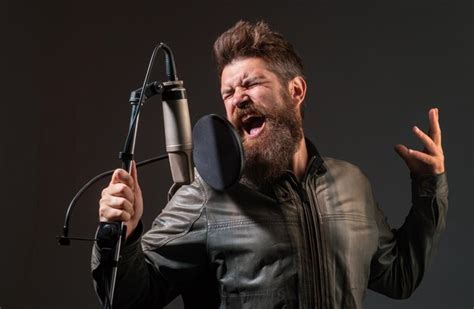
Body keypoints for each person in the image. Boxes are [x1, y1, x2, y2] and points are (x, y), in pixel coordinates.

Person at [92, 21, 448, 308]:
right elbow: (128, 298)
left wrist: (429, 187)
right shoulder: (207, 194)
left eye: (251, 84)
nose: (238, 99)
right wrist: (123, 233)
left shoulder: (352, 184)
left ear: (295, 91)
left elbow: (399, 277)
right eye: (228, 93)